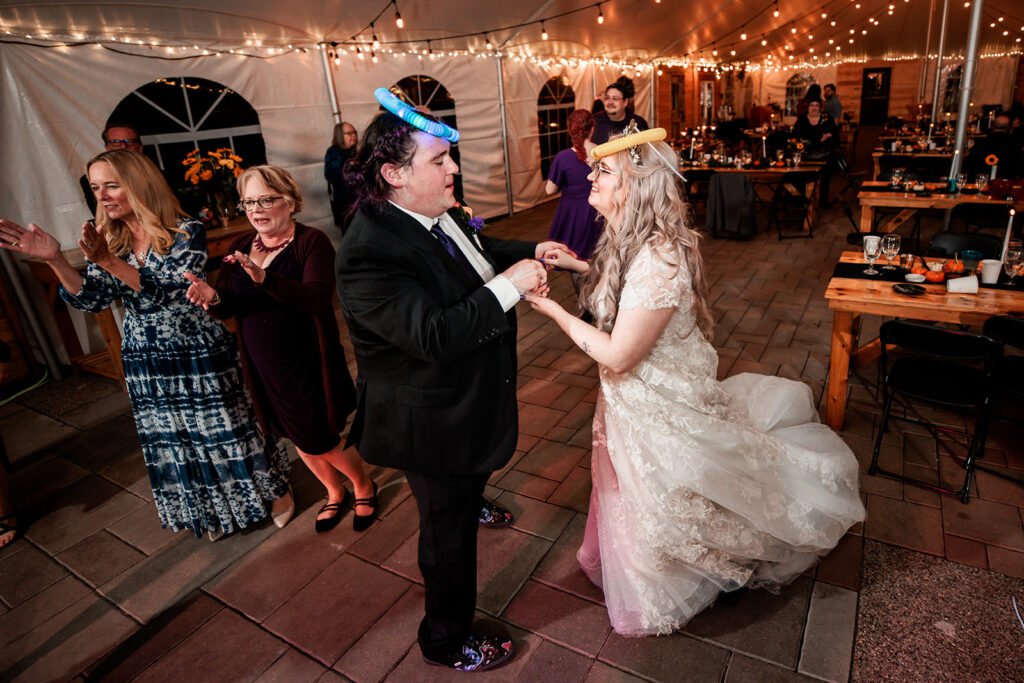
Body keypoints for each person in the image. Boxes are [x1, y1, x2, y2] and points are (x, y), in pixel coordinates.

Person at [525, 128, 865, 636]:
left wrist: (549, 308)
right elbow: (622, 281)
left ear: (635, 188)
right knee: (634, 487)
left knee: (678, 491)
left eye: (603, 172)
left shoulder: (660, 260)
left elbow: (618, 354)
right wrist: (577, 263)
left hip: (663, 396)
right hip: (632, 400)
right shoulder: (626, 236)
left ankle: (706, 568)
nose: (590, 177)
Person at [336, 90, 567, 672]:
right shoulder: (369, 251)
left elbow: (475, 249)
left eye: (449, 158)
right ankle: (446, 640)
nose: (453, 168)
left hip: (460, 406)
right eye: (438, 161)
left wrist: (531, 248)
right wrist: (513, 284)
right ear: (393, 174)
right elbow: (435, 335)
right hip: (428, 421)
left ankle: (472, 491)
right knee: (447, 539)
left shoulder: (434, 213)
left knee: (462, 500)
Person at [0, 150, 293, 539]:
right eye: (95, 187)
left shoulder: (184, 230)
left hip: (195, 347)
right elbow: (91, 299)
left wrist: (108, 262)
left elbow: (170, 292)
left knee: (228, 427)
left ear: (138, 185)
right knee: (179, 439)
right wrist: (56, 260)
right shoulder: (110, 238)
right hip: (145, 354)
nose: (102, 195)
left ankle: (275, 492)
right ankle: (218, 509)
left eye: (111, 185)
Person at [183, 165, 377, 533]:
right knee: (291, 434)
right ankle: (334, 491)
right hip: (261, 365)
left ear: (289, 201)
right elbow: (230, 306)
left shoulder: (312, 241)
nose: (256, 209)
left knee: (318, 435)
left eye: (266, 200)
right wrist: (212, 297)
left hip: (304, 360)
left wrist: (265, 278)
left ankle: (364, 485)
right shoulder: (240, 246)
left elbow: (318, 299)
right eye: (249, 201)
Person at [545, 109, 603, 260]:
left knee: (573, 258)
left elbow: (549, 190)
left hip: (571, 214)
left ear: (570, 130)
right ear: (592, 129)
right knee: (598, 256)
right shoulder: (603, 153)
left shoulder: (562, 157)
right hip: (599, 212)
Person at [80, 121, 143, 216]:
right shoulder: (88, 179)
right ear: (107, 147)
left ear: (139, 148)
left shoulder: (160, 176)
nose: (123, 146)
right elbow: (102, 215)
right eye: (115, 142)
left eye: (130, 141)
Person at [324, 122, 359, 233]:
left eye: (354, 132)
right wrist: (350, 166)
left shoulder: (354, 151)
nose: (353, 135)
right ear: (340, 135)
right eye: (349, 133)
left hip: (359, 201)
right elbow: (330, 176)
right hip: (346, 203)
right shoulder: (334, 152)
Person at [592, 79, 649, 145]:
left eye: (615, 98)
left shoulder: (638, 123)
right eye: (607, 98)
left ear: (625, 102)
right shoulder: (594, 122)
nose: (610, 102)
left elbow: (646, 150)